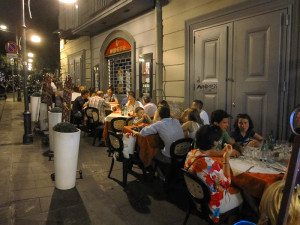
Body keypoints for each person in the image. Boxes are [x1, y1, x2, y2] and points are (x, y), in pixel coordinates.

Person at [184, 125, 243, 223]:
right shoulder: (211, 164)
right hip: (211, 205)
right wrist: (226, 158)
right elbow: (227, 183)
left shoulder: (191, 153)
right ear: (215, 143)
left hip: (195, 196)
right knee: (240, 192)